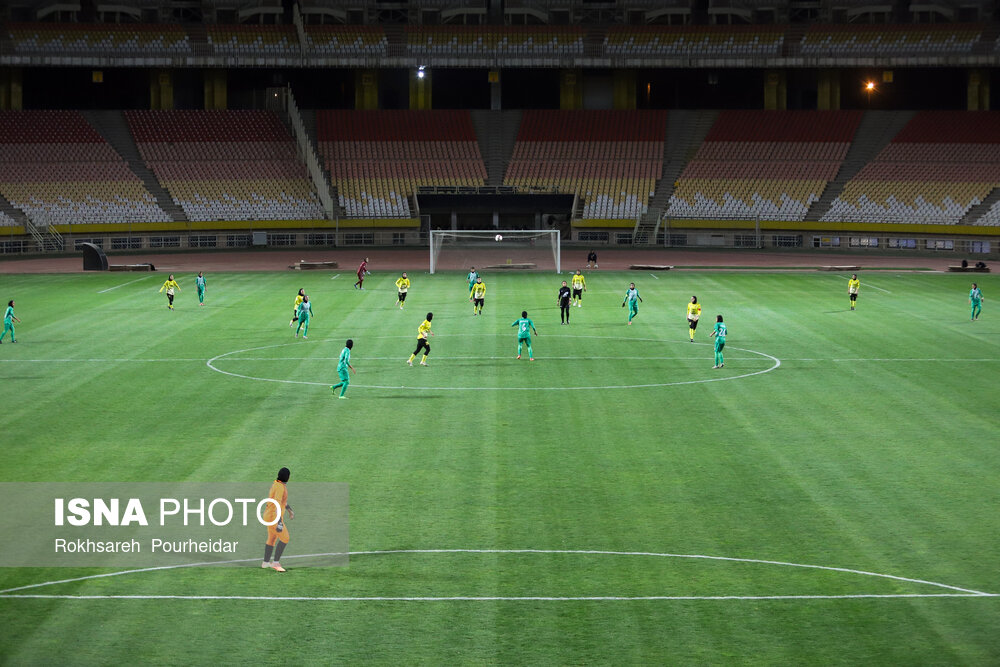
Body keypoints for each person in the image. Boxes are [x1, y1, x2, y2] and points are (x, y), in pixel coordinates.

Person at [262, 467, 293, 573]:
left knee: (272, 538)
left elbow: (282, 501)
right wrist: (279, 521)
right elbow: (277, 503)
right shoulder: (280, 487)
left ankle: (265, 563)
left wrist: (289, 510)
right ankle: (276, 563)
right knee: (285, 538)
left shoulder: (276, 484)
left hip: (268, 515)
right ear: (287, 477)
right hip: (274, 517)